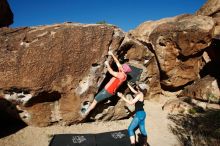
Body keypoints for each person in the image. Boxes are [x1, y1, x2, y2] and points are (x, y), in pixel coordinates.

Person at [81, 51, 132, 116]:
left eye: (123, 67)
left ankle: (86, 112)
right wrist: (112, 54)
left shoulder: (121, 75)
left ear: (124, 70)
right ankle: (88, 107)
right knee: (96, 99)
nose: (121, 66)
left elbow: (111, 72)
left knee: (95, 101)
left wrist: (107, 64)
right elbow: (117, 63)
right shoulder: (124, 74)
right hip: (108, 91)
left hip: (107, 91)